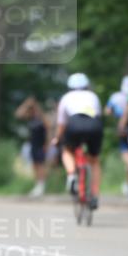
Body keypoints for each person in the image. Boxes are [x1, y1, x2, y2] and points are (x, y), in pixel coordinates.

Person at [54, 73, 104, 209]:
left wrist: (57, 138)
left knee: (66, 150)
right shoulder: (93, 96)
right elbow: (98, 115)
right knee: (94, 160)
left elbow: (61, 124)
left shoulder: (66, 98)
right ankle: (94, 195)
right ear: (86, 85)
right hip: (94, 124)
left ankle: (71, 175)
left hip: (74, 124)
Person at [104, 75, 128, 195]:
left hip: (122, 129)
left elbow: (107, 111)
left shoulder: (115, 97)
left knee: (126, 153)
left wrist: (115, 112)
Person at [15, 95, 49, 197]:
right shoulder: (30, 117)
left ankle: (42, 185)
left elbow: (48, 127)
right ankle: (37, 185)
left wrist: (47, 144)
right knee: (35, 165)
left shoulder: (41, 117)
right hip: (33, 144)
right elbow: (18, 114)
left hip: (41, 144)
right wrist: (26, 104)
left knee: (41, 165)